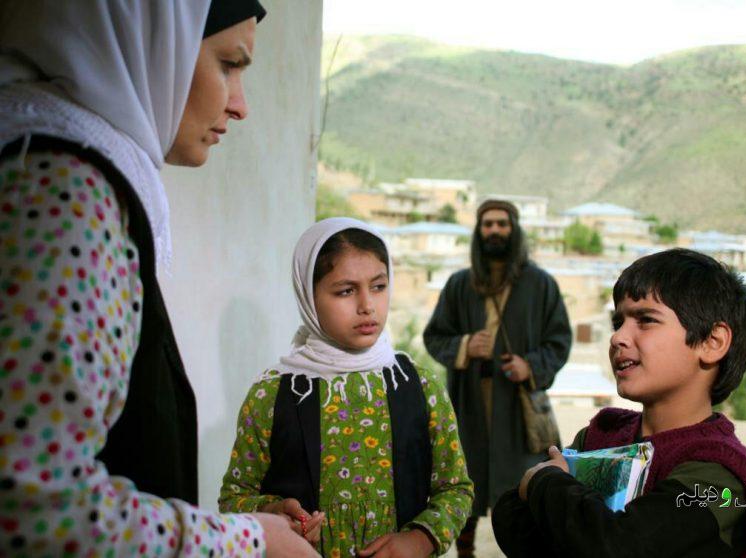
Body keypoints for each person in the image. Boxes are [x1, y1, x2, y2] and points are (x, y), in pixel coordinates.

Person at [0, 1, 318, 556]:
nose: (240, 105)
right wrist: (247, 543)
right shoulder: (63, 191)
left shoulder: (45, 158)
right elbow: (31, 509)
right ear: (147, 36)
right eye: (227, 63)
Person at [218, 217, 475, 557]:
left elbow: (456, 488)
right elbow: (234, 498)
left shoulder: (420, 386)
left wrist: (419, 540)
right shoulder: (272, 396)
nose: (367, 305)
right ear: (308, 296)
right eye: (345, 291)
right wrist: (272, 513)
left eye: (379, 286)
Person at [492, 248, 746, 558]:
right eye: (618, 322)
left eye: (646, 320)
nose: (618, 337)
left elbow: (619, 547)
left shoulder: (724, 477)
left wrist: (544, 480)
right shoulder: (600, 437)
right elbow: (511, 519)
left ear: (711, 342)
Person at [422, 199, 572, 556]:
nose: (494, 230)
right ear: (478, 231)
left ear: (514, 229)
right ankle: (465, 553)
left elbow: (560, 339)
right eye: (487, 224)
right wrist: (464, 346)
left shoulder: (540, 285)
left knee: (524, 489)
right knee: (465, 483)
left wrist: (531, 366)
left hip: (518, 405)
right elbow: (434, 336)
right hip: (470, 401)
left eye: (502, 224)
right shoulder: (460, 285)